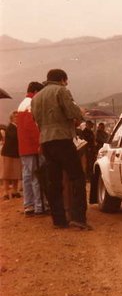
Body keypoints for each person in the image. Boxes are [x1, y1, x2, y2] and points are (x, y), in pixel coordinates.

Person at [31, 69, 92, 230]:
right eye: (66, 80)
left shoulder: (37, 98)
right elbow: (72, 112)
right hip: (62, 139)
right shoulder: (61, 91)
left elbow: (35, 119)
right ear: (62, 79)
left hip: (45, 141)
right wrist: (81, 113)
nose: (67, 83)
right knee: (77, 177)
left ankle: (58, 220)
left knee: (54, 181)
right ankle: (78, 217)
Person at [17, 81, 47, 216]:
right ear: (35, 92)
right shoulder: (31, 104)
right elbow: (32, 127)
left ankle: (29, 205)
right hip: (33, 147)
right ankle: (40, 207)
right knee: (37, 177)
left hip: (24, 148)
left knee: (27, 177)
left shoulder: (22, 104)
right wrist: (39, 142)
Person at [1, 111, 22, 200]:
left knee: (15, 173)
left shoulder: (17, 127)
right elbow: (14, 137)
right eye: (15, 117)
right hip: (8, 153)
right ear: (12, 118)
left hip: (16, 153)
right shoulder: (10, 127)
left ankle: (15, 190)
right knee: (6, 173)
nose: (17, 118)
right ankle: (6, 192)